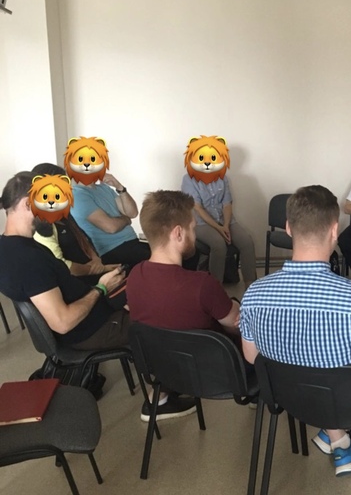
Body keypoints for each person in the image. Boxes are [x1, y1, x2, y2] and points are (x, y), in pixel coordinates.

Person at [239, 185, 351, 477]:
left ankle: (334, 436)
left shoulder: (254, 293)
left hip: (290, 399)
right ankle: (338, 437)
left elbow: (251, 357)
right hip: (350, 405)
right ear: (335, 231)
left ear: (288, 228)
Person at [127, 190, 245, 421]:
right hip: (212, 373)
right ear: (178, 233)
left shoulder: (134, 276)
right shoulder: (202, 284)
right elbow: (236, 324)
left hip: (163, 370)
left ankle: (160, 397)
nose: (195, 233)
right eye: (192, 227)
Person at [0, 172, 130, 352]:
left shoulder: (9, 246)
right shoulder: (28, 260)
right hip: (93, 329)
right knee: (161, 318)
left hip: (95, 314)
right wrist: (101, 288)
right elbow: (63, 323)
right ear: (28, 204)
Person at [31, 163, 120, 284]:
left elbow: (83, 239)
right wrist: (94, 270)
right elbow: (63, 266)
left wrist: (96, 260)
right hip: (76, 283)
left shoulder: (64, 214)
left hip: (93, 272)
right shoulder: (41, 225)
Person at [180, 172, 257, 287]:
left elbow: (227, 204)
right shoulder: (188, 179)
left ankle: (250, 286)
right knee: (218, 244)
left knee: (247, 242)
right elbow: (197, 208)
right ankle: (216, 287)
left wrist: (225, 225)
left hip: (225, 220)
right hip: (201, 223)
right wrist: (219, 228)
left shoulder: (223, 177)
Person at [70, 169, 150, 267]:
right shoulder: (77, 195)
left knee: (164, 254)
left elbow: (132, 213)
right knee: (160, 263)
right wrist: (126, 219)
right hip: (113, 251)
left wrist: (119, 187)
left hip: (132, 243)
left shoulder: (105, 189)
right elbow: (111, 227)